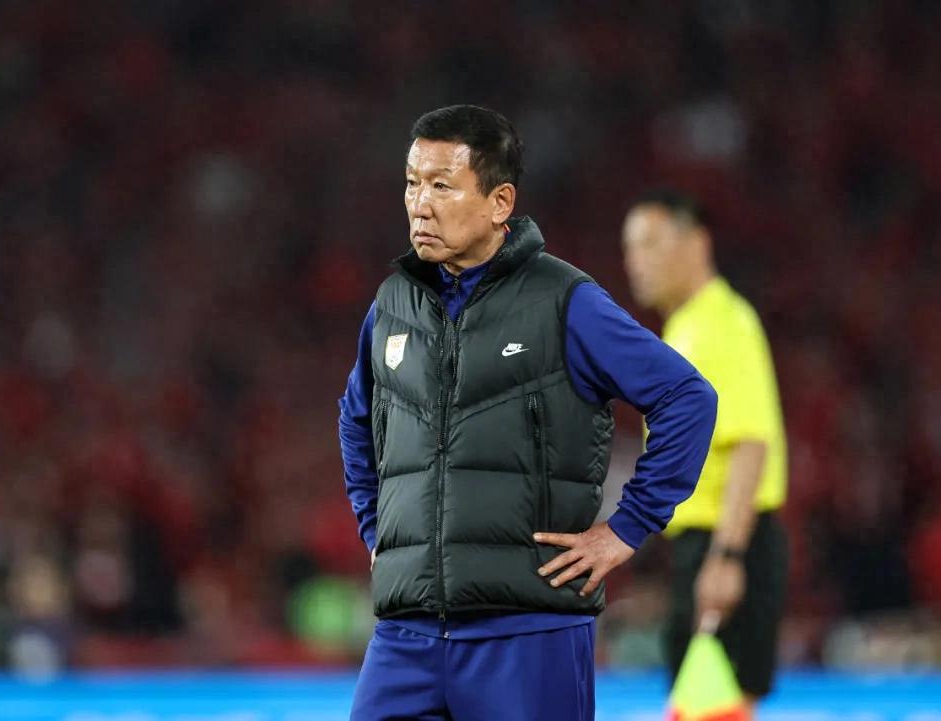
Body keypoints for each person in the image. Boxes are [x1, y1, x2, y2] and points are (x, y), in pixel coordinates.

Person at [338, 105, 718, 721]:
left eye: (442, 186)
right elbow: (356, 418)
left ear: (500, 202)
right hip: (406, 635)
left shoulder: (565, 302)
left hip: (528, 630)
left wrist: (627, 528)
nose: (419, 205)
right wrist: (375, 530)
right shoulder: (392, 304)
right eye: (411, 183)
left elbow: (688, 398)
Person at [621, 189, 789, 711]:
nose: (636, 261)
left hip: (728, 540)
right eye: (630, 247)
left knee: (713, 708)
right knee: (703, 706)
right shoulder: (685, 328)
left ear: (696, 244)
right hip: (704, 543)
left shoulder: (723, 324)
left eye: (650, 243)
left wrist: (726, 557)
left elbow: (750, 445)